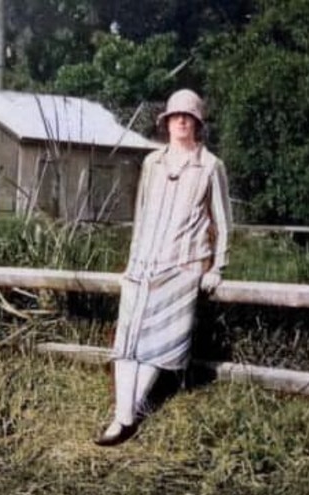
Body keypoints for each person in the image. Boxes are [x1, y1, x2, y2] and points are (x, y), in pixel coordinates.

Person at [96, 89, 233, 446]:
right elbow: (141, 215)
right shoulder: (152, 163)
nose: (181, 122)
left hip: (183, 266)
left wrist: (217, 266)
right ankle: (122, 417)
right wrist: (130, 261)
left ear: (197, 125)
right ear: (166, 123)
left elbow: (222, 220)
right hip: (144, 263)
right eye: (175, 117)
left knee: (158, 344)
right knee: (128, 340)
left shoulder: (211, 166)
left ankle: (128, 417)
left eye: (188, 117)